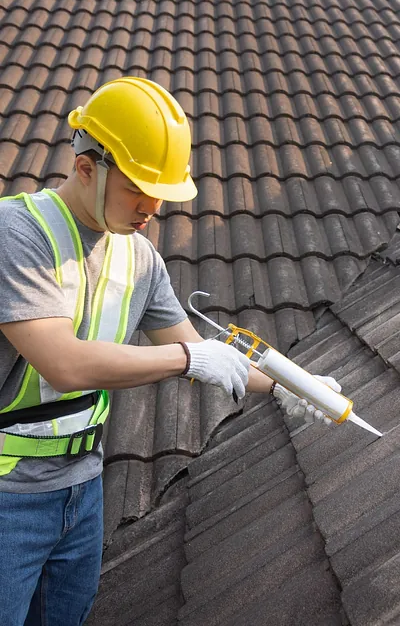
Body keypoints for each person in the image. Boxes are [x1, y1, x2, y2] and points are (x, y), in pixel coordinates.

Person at [0, 76, 338, 626]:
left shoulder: (140, 260)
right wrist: (188, 361)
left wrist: (298, 387)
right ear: (87, 167)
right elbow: (63, 363)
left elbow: (203, 353)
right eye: (139, 189)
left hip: (81, 489)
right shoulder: (18, 232)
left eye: (160, 193)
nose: (152, 207)